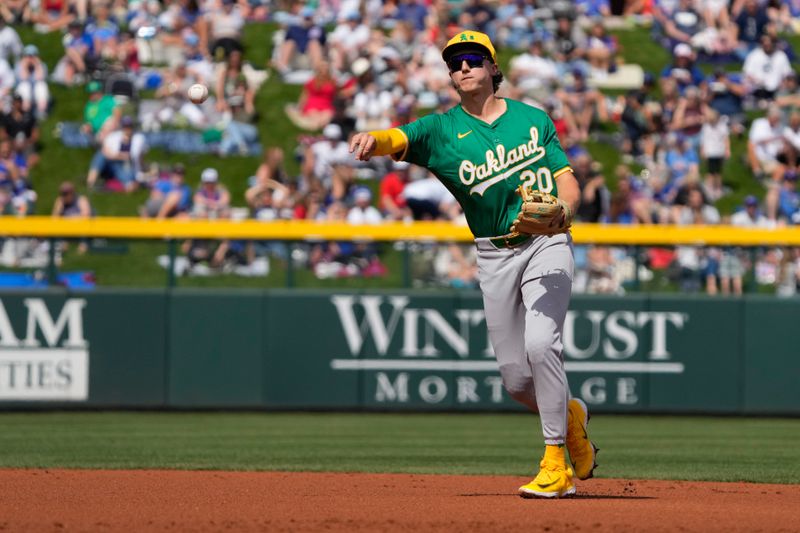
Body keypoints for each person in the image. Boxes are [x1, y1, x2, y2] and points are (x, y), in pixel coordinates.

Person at [349, 30, 597, 499]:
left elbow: (568, 183)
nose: (463, 68)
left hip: (546, 241)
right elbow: (397, 136)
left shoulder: (532, 119)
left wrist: (564, 213)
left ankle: (554, 463)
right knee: (517, 379)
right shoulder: (441, 131)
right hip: (493, 253)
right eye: (455, 62)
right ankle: (570, 416)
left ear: (492, 68)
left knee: (543, 345)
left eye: (472, 59)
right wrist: (373, 139)